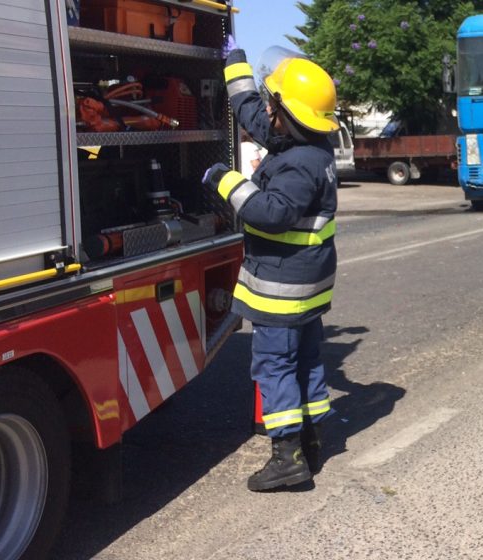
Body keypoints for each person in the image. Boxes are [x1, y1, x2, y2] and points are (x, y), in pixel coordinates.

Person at [202, 40, 340, 492]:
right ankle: (313, 441)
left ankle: (287, 458)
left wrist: (225, 181)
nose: (266, 108)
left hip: (284, 288)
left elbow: (271, 213)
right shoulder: (306, 143)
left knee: (274, 367)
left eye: (272, 101)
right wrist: (235, 66)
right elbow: (252, 114)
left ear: (288, 111)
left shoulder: (299, 165)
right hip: (309, 289)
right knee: (308, 361)